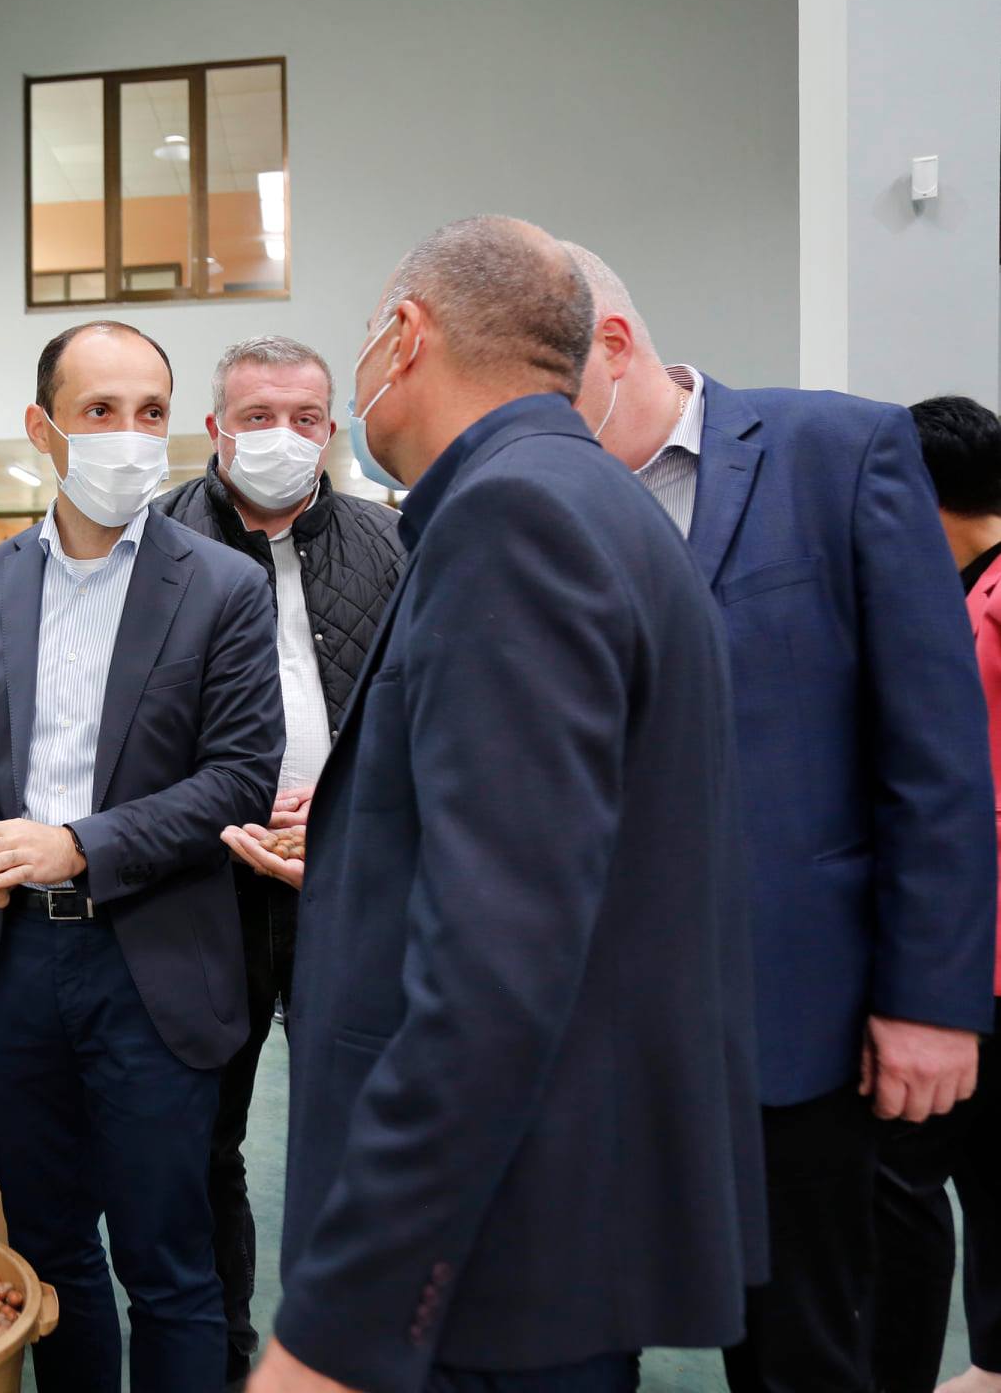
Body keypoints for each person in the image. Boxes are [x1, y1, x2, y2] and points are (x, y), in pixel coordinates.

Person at [238, 216, 766, 1393]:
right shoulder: (594, 500)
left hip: (494, 1250)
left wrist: (340, 1325)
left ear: (404, 336)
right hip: (553, 1212)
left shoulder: (510, 519)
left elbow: (496, 967)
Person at [562, 244, 996, 1393]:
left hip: (799, 1022)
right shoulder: (543, 506)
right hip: (599, 1027)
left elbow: (935, 756)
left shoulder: (836, 451)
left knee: (806, 1346)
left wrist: (932, 1002)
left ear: (613, 347)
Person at [0, 319, 283, 1393]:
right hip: (12, 964)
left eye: (150, 412)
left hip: (154, 961)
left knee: (167, 1262)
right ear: (43, 429)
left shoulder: (221, 586)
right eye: (100, 411)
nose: (131, 435)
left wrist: (75, 845)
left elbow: (237, 779)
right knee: (50, 1251)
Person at [154, 334, 403, 1388]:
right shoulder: (154, 542)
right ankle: (220, 1360)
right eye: (257, 417)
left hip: (343, 881)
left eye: (305, 418)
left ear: (332, 429)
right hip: (199, 886)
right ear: (216, 428)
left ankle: (350, 1355)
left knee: (361, 1130)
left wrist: (348, 804)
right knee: (201, 1140)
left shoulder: (390, 540)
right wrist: (222, 800)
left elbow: (417, 704)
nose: (282, 437)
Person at [874, 395, 1001, 1393]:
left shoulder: (990, 602)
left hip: (975, 954)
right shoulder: (954, 590)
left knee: (904, 1179)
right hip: (964, 943)